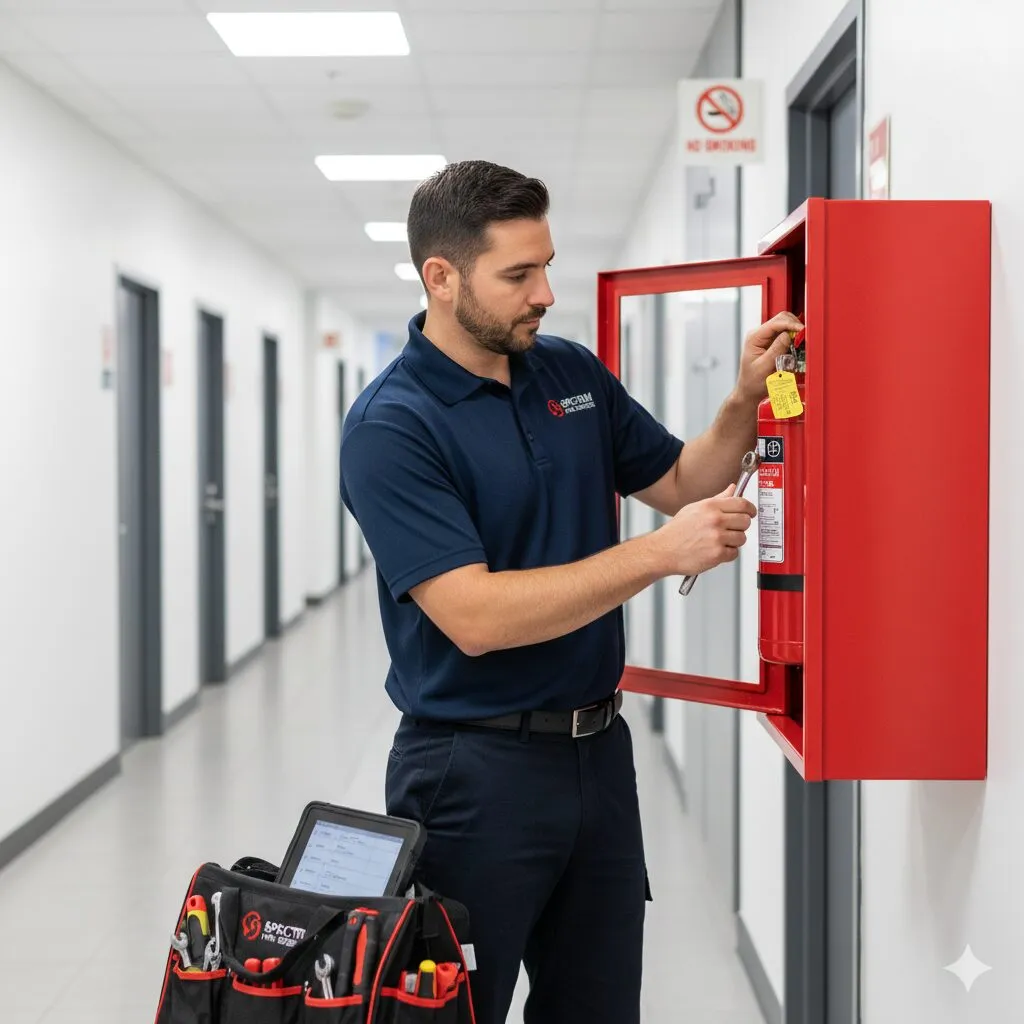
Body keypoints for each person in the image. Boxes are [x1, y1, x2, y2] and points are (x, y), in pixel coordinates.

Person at [339, 159, 803, 1024]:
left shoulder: (569, 375)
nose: (545, 292)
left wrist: (745, 400)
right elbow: (472, 617)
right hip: (471, 772)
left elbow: (678, 478)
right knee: (454, 1010)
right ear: (441, 278)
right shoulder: (392, 426)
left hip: (597, 754)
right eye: (519, 274)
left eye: (547, 264)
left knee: (596, 1005)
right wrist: (657, 557)